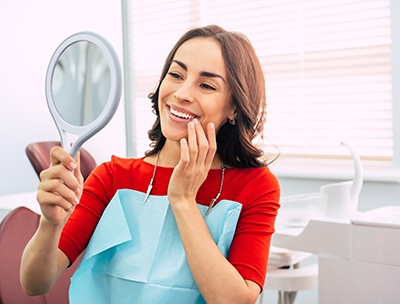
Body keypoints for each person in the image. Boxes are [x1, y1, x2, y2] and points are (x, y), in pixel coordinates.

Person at [20, 24, 280, 304]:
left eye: (206, 85)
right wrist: (50, 224)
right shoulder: (112, 177)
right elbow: (35, 283)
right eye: (176, 74)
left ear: (234, 107)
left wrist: (182, 200)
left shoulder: (256, 187)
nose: (182, 93)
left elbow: (234, 301)